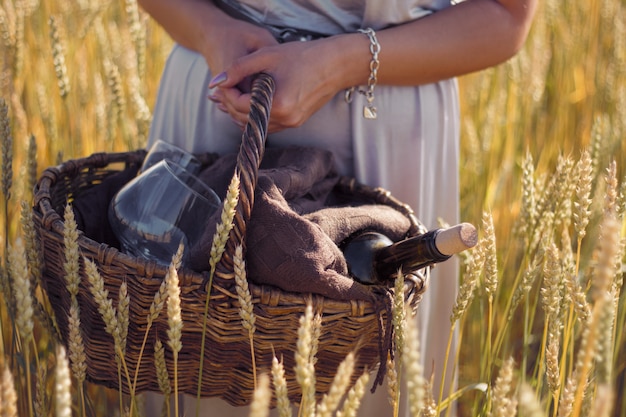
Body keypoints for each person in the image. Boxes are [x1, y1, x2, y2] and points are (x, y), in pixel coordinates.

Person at [136, 0, 537, 415]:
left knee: (372, 387)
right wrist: (211, 30)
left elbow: (507, 16)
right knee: (203, 376)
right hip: (222, 104)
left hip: (386, 136)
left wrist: (340, 62)